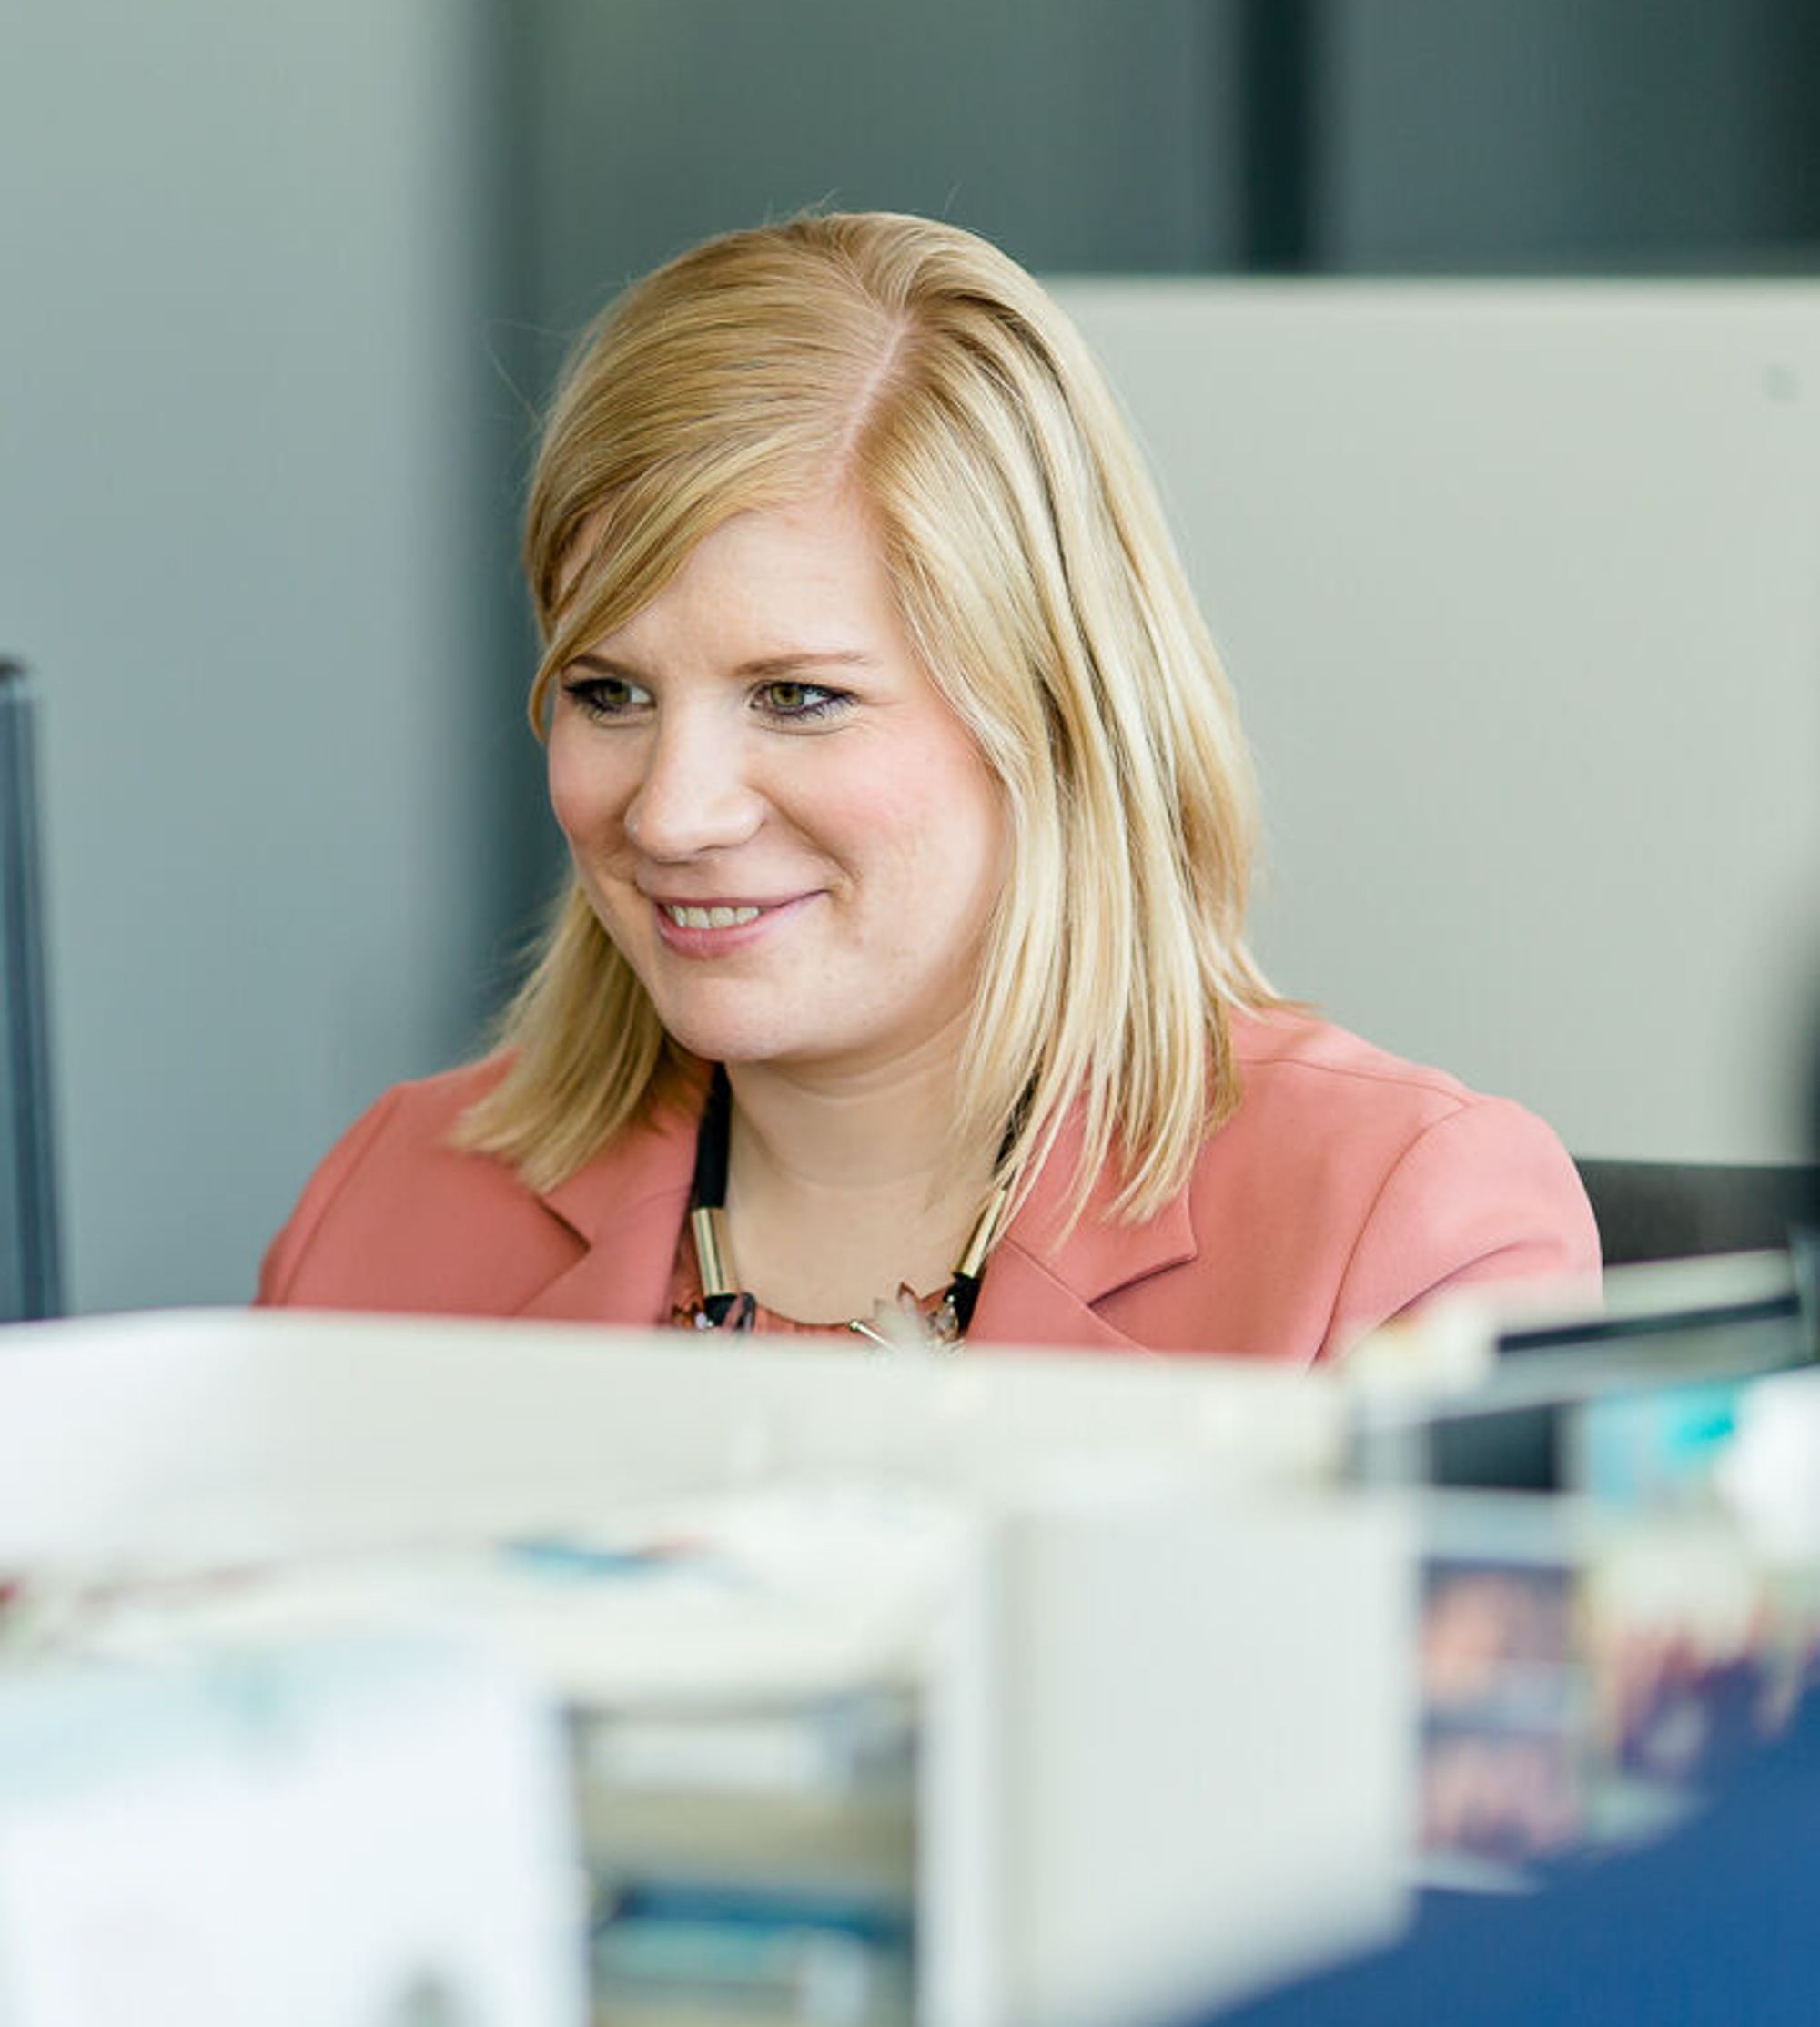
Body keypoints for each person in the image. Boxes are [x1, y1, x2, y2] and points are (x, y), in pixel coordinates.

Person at [260, 211, 1597, 1359]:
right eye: (612, 693)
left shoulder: (1397, 1229)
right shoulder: (391, 1205)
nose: (672, 812)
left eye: (797, 697)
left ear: (1055, 716)